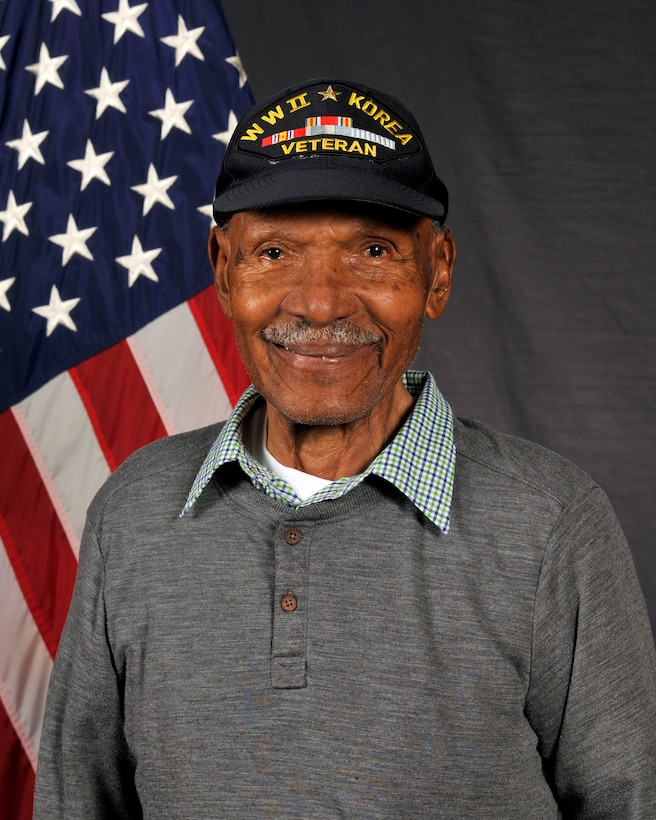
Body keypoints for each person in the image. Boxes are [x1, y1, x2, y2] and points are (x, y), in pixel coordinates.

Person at [34, 78, 656, 818]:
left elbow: (628, 801)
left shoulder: (552, 523)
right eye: (274, 251)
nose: (321, 303)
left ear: (439, 271)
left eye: (371, 250)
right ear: (225, 272)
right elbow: (78, 802)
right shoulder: (134, 512)